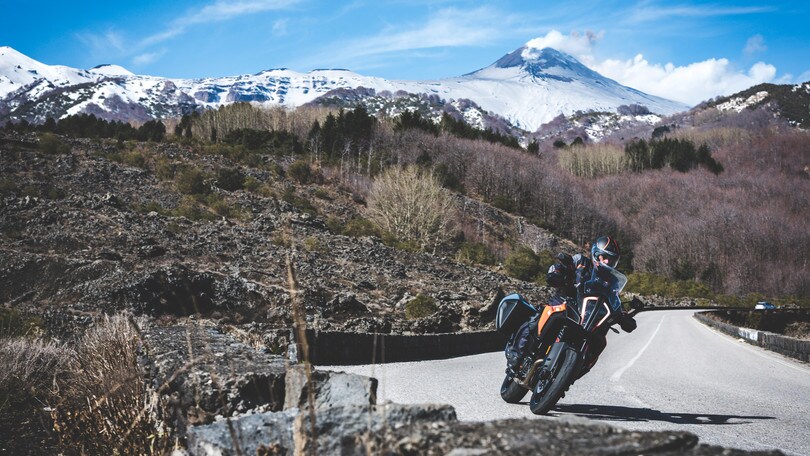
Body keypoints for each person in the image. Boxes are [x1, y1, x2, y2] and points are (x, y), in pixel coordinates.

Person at [507, 236, 636, 371]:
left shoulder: (612, 281)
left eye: (612, 260)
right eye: (604, 257)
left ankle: (574, 373)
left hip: (588, 317)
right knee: (538, 317)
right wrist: (557, 271)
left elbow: (614, 298)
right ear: (596, 254)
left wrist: (622, 314)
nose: (607, 261)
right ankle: (516, 354)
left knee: (600, 341)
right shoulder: (581, 261)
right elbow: (562, 267)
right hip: (565, 302)